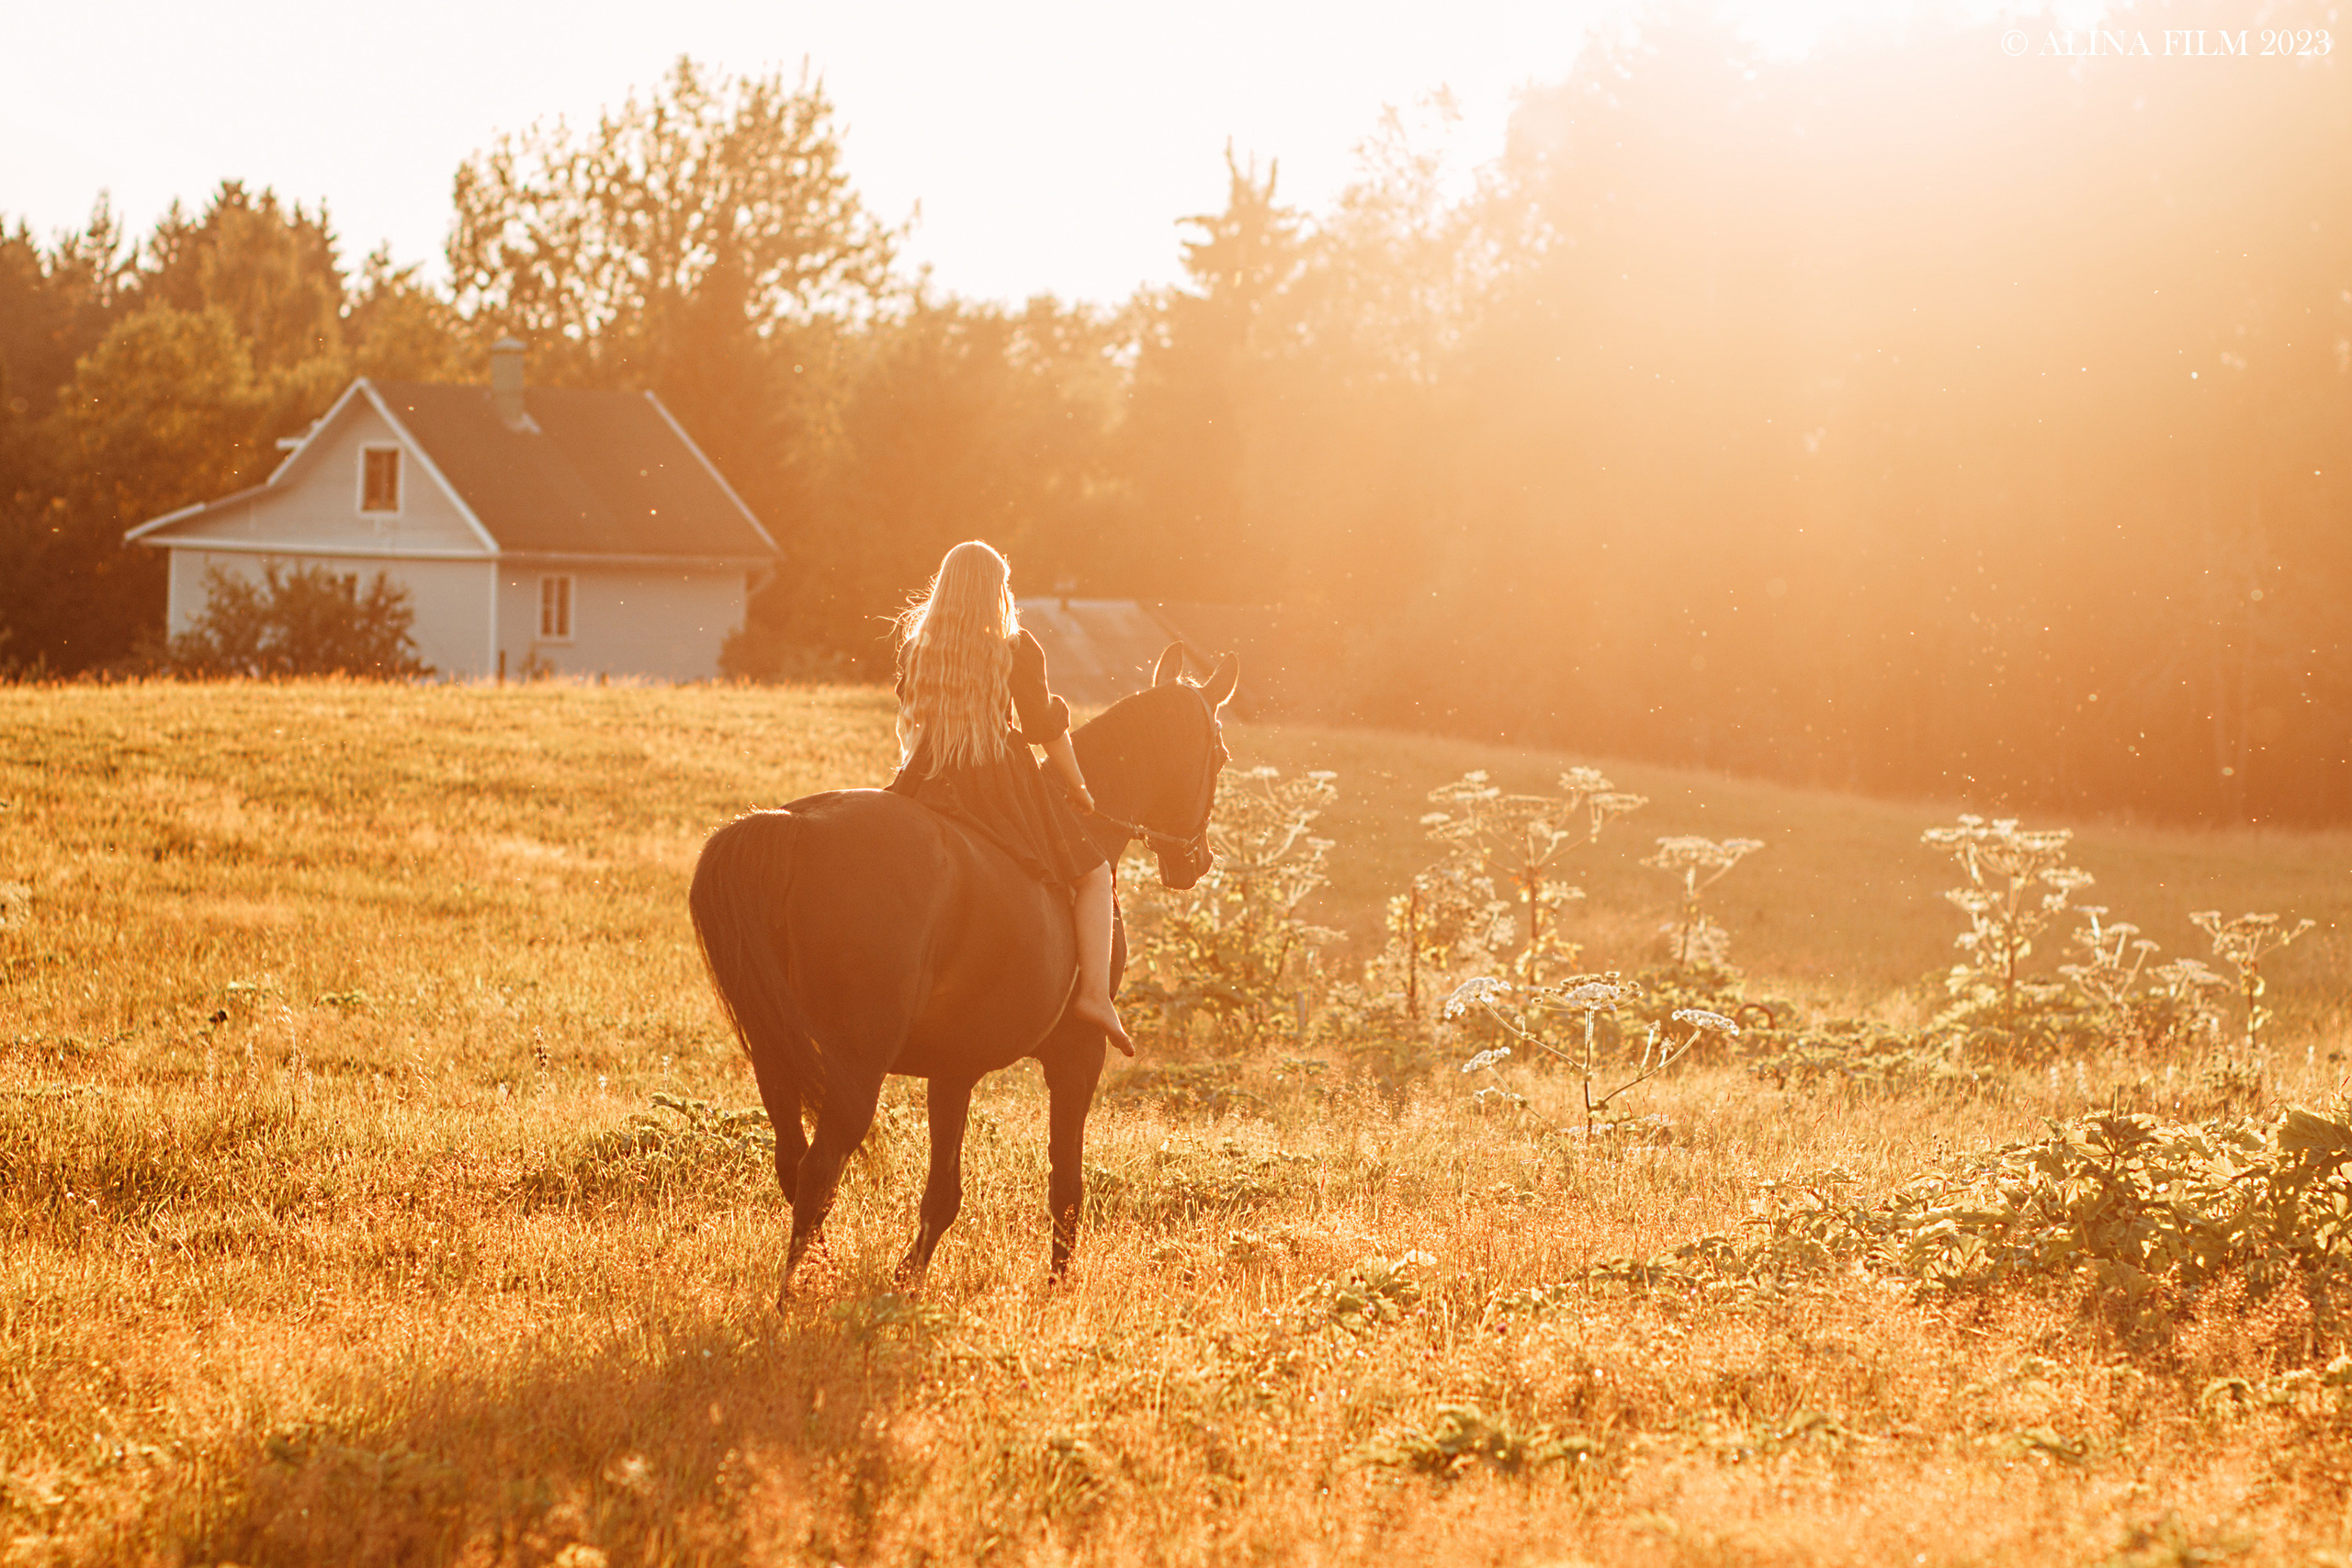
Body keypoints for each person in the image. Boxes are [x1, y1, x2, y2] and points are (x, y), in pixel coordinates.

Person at [887, 540, 1134, 1055]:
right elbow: (1045, 727)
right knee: (1091, 875)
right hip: (1000, 784)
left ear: (946, 587)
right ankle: (1093, 995)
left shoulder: (917, 648)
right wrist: (1080, 787)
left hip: (926, 776)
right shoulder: (1016, 648)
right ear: (997, 589)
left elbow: (912, 724)